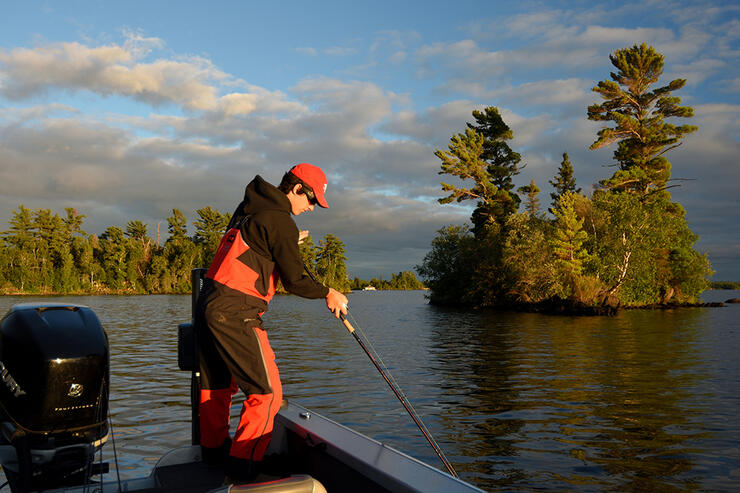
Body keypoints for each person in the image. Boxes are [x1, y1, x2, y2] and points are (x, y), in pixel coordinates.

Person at [195, 163, 348, 481]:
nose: (310, 208)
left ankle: (213, 454)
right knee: (266, 394)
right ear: (296, 189)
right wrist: (329, 293)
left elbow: (255, 246)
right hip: (236, 312)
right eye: (311, 201)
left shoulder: (250, 208)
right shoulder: (280, 222)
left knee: (217, 386)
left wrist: (292, 243)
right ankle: (245, 471)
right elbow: (295, 281)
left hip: (207, 305)